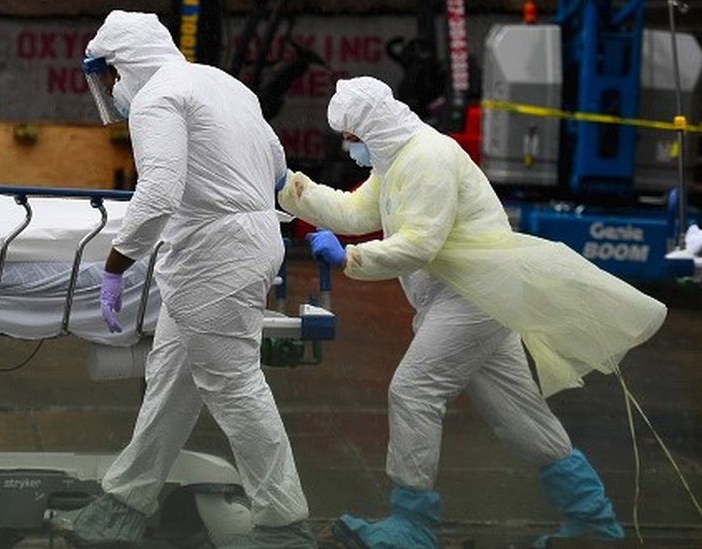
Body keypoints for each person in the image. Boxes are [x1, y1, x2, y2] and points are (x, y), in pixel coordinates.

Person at [278, 76, 667, 549]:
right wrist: (292, 189)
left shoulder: (428, 157)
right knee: (518, 414)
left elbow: (421, 243)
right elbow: (358, 211)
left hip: (472, 299)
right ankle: (593, 521)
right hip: (477, 296)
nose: (348, 148)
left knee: (414, 390)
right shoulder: (395, 158)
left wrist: (351, 259)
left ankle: (412, 523)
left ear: (373, 129)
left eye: (352, 139)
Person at [49, 10, 316, 549]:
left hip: (214, 255)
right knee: (172, 382)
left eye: (110, 75)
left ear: (124, 62)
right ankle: (125, 502)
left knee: (234, 384)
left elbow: (160, 191)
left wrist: (116, 265)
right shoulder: (225, 85)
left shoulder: (157, 99)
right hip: (246, 243)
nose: (113, 90)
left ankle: (284, 523)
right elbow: (278, 168)